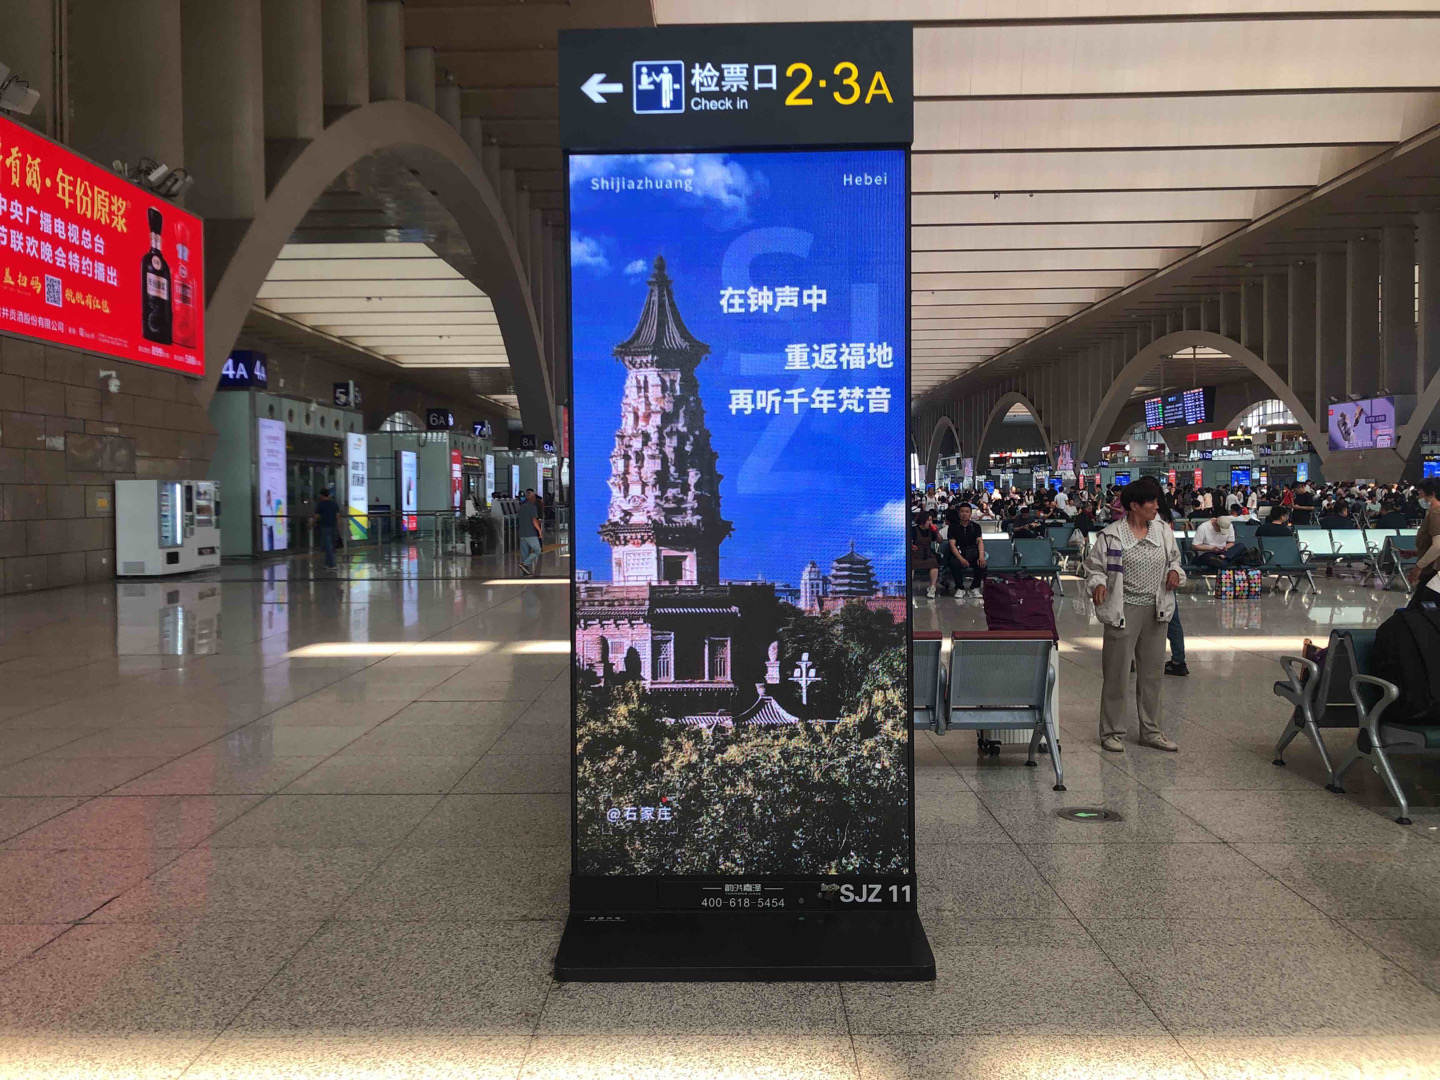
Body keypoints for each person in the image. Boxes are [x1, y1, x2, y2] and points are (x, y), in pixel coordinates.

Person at [1083, 476, 1185, 753]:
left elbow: (1175, 560)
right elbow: (1094, 568)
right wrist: (1099, 584)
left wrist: (1175, 572)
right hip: (1123, 610)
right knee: (1116, 674)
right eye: (1151, 502)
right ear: (1134, 506)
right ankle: (1111, 732)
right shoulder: (1111, 535)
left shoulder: (1162, 531)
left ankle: (1151, 731)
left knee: (1152, 675)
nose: (1156, 506)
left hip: (1156, 610)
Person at [945, 502, 988, 598]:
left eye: (967, 512)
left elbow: (980, 541)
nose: (964, 514)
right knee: (953, 563)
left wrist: (981, 556)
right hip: (958, 554)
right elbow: (952, 545)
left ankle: (974, 587)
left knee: (982, 565)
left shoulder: (976, 527)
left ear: (970, 513)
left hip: (972, 553)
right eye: (962, 511)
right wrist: (961, 559)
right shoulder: (953, 527)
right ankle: (960, 588)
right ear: (959, 513)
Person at [912, 509, 942, 599]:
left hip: (927, 554)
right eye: (928, 520)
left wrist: (937, 532)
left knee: (933, 564)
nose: (930, 522)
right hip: (915, 554)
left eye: (931, 520)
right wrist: (912, 546)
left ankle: (932, 587)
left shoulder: (931, 531)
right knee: (911, 565)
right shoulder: (914, 530)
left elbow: (940, 540)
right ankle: (908, 586)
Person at [312, 487, 341, 569]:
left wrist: (312, 523)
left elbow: (316, 516)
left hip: (325, 527)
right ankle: (328, 563)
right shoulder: (334, 504)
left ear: (321, 495)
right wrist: (339, 527)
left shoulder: (321, 504)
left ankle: (332, 564)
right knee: (330, 546)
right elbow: (338, 517)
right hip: (333, 527)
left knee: (328, 546)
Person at [517, 489, 543, 576]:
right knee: (538, 550)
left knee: (525, 553)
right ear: (530, 498)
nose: (535, 498)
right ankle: (525, 564)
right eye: (534, 497)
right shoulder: (532, 507)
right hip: (530, 533)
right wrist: (539, 530)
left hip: (522, 533)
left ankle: (525, 571)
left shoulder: (521, 507)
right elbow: (534, 520)